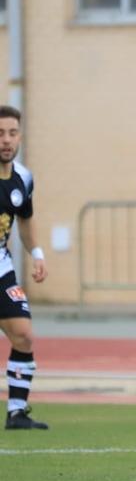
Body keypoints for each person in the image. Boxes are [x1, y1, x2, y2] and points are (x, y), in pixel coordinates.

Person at [0, 106, 47, 430]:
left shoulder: (24, 178)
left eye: (12, 133)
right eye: (0, 133)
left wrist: (37, 253)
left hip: (1, 268)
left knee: (24, 334)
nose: (6, 140)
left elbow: (25, 221)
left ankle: (17, 412)